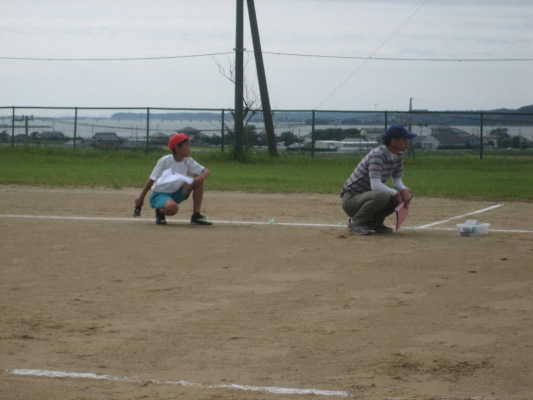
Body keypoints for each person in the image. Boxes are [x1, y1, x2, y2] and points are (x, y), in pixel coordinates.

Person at [340, 124, 416, 235]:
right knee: (382, 196)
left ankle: (374, 222)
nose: (407, 142)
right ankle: (355, 222)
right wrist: (396, 193)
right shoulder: (378, 154)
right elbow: (375, 185)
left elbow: (397, 181)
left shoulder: (398, 155)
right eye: (404, 139)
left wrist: (403, 190)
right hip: (352, 199)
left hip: (368, 197)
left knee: (406, 192)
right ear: (394, 141)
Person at [135, 133, 212, 226]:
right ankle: (160, 211)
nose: (189, 148)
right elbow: (152, 179)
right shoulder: (165, 161)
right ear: (177, 148)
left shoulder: (187, 160)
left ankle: (196, 216)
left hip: (176, 193)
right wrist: (141, 198)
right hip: (160, 195)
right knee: (173, 209)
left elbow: (206, 171)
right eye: (186, 145)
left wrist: (202, 176)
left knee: (197, 180)